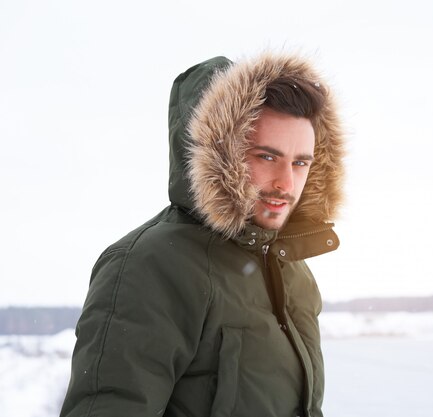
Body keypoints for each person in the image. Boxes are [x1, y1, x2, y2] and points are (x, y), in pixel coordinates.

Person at [60, 52, 345, 417]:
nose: (286, 183)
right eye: (266, 157)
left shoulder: (293, 272)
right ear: (220, 155)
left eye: (300, 162)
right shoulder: (148, 266)